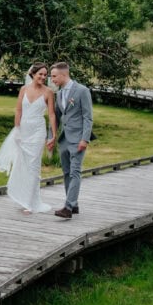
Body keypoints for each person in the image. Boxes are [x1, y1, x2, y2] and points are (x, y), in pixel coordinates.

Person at [0, 63, 57, 215]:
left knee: (33, 166)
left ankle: (30, 202)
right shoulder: (24, 90)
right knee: (22, 164)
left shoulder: (48, 92)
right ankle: (22, 196)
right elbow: (19, 110)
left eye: (45, 74)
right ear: (32, 74)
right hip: (24, 131)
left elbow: (52, 114)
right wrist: (17, 130)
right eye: (40, 74)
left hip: (38, 132)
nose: (43, 77)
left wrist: (53, 135)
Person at [49, 62, 93, 219]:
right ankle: (73, 205)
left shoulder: (82, 91)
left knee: (75, 172)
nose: (52, 79)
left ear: (63, 75)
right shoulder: (59, 94)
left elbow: (88, 117)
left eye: (54, 76)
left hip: (78, 139)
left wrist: (85, 139)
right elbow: (58, 117)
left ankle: (67, 208)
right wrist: (52, 137)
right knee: (67, 172)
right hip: (64, 140)